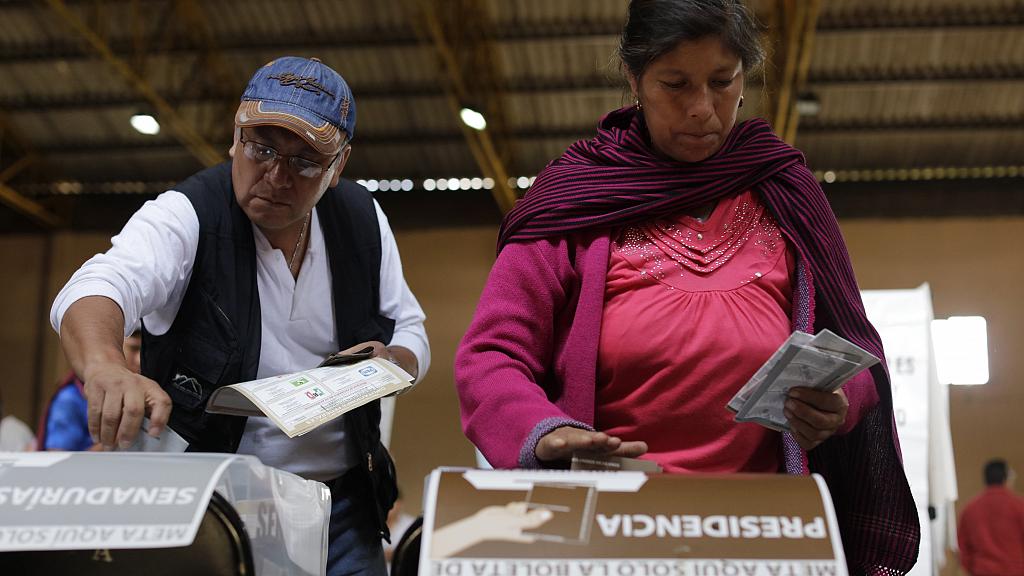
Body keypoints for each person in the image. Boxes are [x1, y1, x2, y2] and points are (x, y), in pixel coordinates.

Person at [454, 1, 918, 573]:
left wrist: (839, 406)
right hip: (613, 531)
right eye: (675, 85)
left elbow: (855, 348)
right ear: (634, 80)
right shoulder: (575, 200)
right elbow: (490, 357)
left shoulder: (785, 192)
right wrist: (542, 432)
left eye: (723, 82)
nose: (702, 108)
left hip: (765, 532)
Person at [50, 56, 430, 575]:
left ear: (338, 165)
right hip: (212, 505)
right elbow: (98, 285)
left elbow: (409, 327)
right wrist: (105, 365)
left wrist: (393, 362)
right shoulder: (188, 215)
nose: (276, 175)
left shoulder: (362, 220)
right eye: (261, 148)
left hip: (341, 511)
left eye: (305, 161)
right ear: (235, 137)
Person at [38, 332, 142, 451]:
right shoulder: (70, 399)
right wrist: (120, 438)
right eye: (133, 349)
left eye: (142, 351)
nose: (139, 360)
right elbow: (58, 456)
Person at [958, 459, 1024, 575]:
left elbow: (963, 548)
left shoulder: (970, 509)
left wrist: (973, 568)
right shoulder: (1019, 506)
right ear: (1006, 478)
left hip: (982, 571)